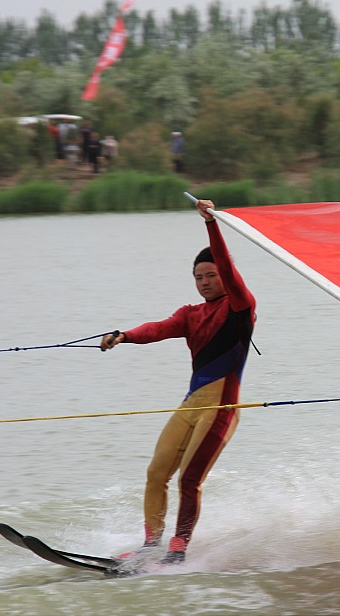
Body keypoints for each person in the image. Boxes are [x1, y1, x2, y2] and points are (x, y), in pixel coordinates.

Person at [100, 199, 256, 565]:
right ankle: (151, 544)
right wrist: (124, 335)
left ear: (224, 276)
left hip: (220, 408)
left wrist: (210, 224)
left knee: (189, 479)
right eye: (199, 278)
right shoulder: (190, 315)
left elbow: (229, 268)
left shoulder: (239, 306)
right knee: (156, 473)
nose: (204, 283)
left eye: (211, 276)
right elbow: (158, 328)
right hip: (190, 406)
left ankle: (179, 546)